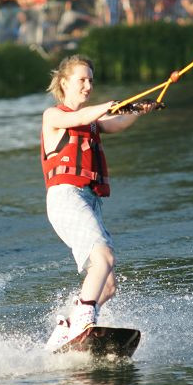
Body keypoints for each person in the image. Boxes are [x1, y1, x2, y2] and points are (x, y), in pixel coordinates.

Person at [41, 55, 157, 349]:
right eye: (82, 79)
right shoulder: (53, 116)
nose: (88, 85)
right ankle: (83, 319)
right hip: (66, 196)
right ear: (65, 83)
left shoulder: (93, 123)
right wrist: (106, 107)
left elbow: (115, 124)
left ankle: (67, 325)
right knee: (104, 257)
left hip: (88, 200)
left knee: (107, 285)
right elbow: (79, 118)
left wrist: (138, 111)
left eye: (91, 80)